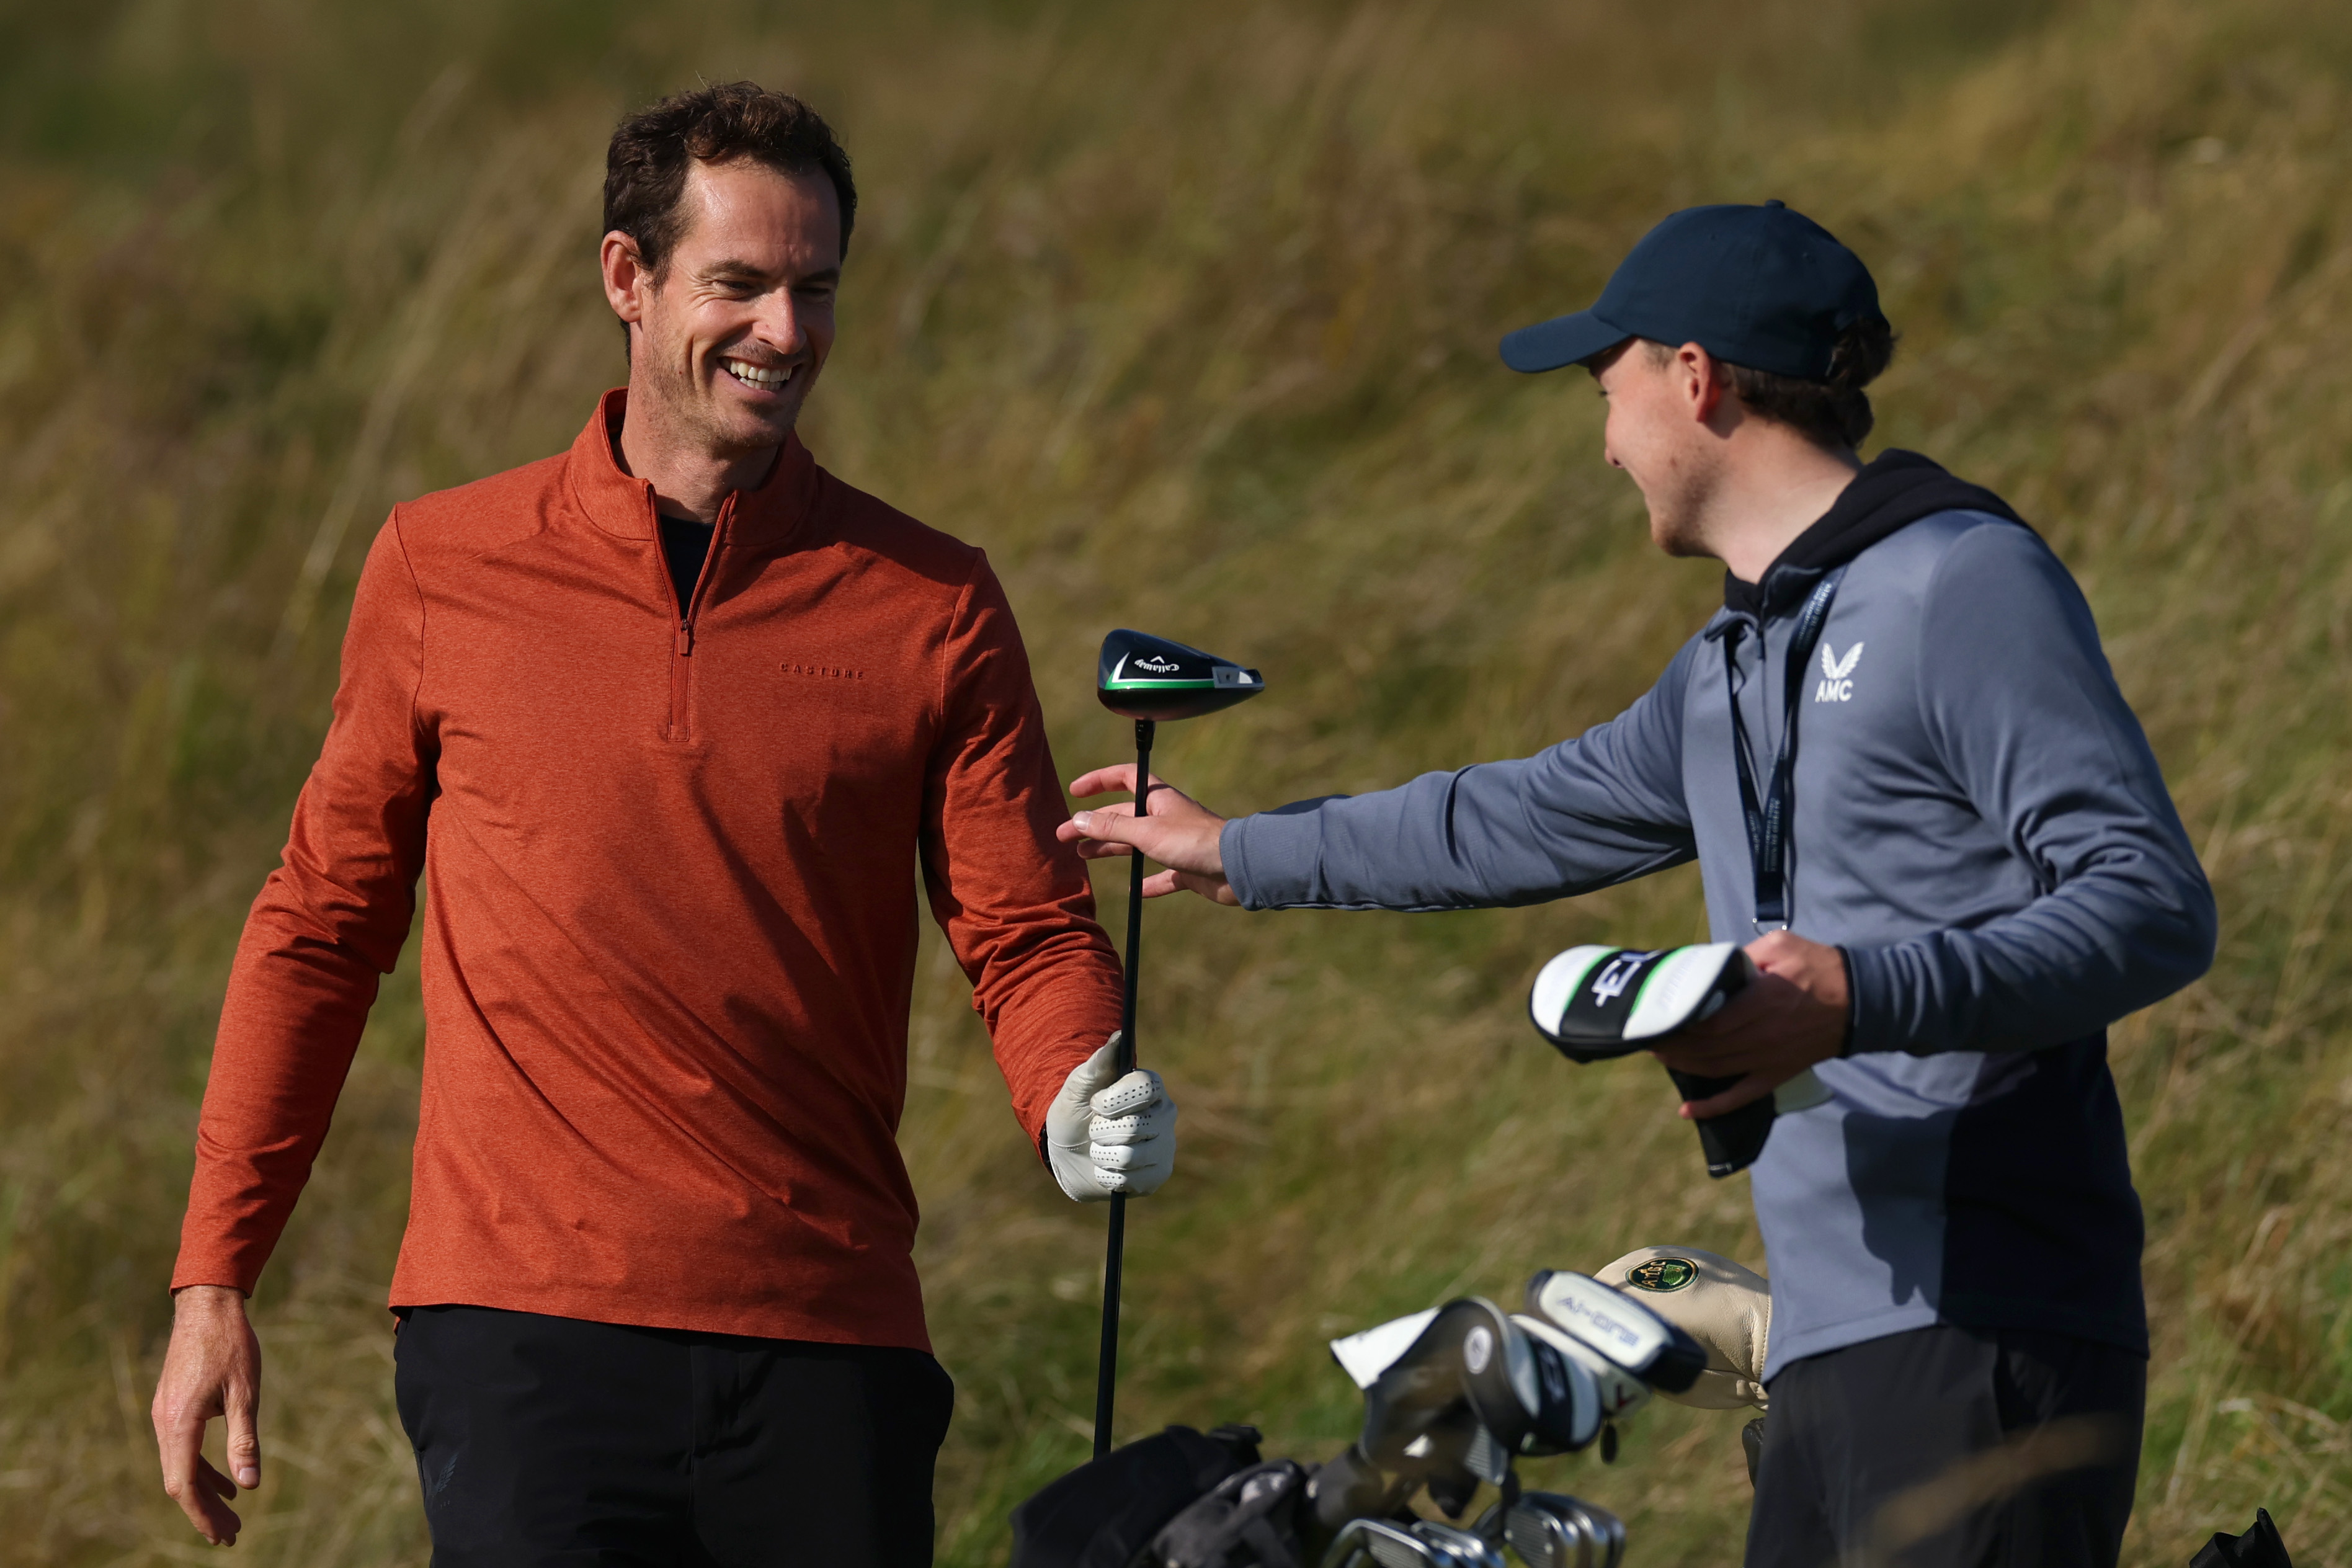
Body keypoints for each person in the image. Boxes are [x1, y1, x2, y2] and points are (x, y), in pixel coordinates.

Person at [1061, 202, 2215, 1567]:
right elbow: (1506, 818)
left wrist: (1858, 994)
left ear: (1694, 375)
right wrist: (1234, 849)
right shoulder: (1723, 671)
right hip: (1824, 1352)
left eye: (1606, 393)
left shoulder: (1958, 584)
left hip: (1993, 1326)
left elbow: (2152, 902)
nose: (1605, 441)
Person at [151, 82, 1176, 1567]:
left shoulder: (931, 601)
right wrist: (214, 1279)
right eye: (740, 284)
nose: (784, 330)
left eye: (814, 289)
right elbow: (319, 929)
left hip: (828, 1337)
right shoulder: (444, 568)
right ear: (628, 281)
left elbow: (1023, 930)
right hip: (524, 1342)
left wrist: (1069, 1083)